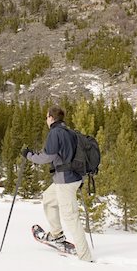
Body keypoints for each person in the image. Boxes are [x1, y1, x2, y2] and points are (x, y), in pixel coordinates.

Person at [22, 105, 93, 262]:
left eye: (47, 116)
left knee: (71, 217)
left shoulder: (55, 133)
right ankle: (56, 235)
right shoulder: (70, 131)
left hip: (65, 181)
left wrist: (29, 155)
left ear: (51, 118)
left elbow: (47, 157)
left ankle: (85, 256)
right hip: (72, 178)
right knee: (48, 198)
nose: (46, 119)